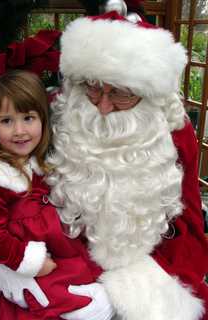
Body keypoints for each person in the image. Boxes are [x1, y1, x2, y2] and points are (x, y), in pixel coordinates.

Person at [45, 1, 208, 319]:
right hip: (63, 261)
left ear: (148, 95)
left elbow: (188, 222)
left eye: (120, 93)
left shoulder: (173, 134)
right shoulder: (59, 117)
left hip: (152, 261)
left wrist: (150, 284)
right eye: (93, 87)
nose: (103, 107)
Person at [0, 70, 114, 320]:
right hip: (22, 263)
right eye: (7, 121)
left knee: (89, 283)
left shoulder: (39, 164)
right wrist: (29, 262)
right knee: (55, 302)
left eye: (28, 118)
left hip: (58, 251)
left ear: (43, 121)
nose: (19, 130)